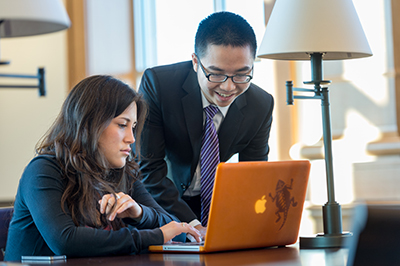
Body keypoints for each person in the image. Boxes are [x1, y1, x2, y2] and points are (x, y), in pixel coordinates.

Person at [4, 75, 200, 261]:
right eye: (122, 125)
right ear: (90, 124)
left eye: (133, 127)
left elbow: (177, 232)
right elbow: (66, 241)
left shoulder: (123, 172)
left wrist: (139, 213)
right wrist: (154, 237)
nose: (131, 138)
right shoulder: (43, 170)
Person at [137, 11, 274, 238]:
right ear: (195, 62)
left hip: (218, 211)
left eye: (242, 75)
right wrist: (192, 224)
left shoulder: (261, 104)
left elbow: (253, 177)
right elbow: (148, 168)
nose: (229, 88)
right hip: (161, 207)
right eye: (216, 75)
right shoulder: (160, 86)